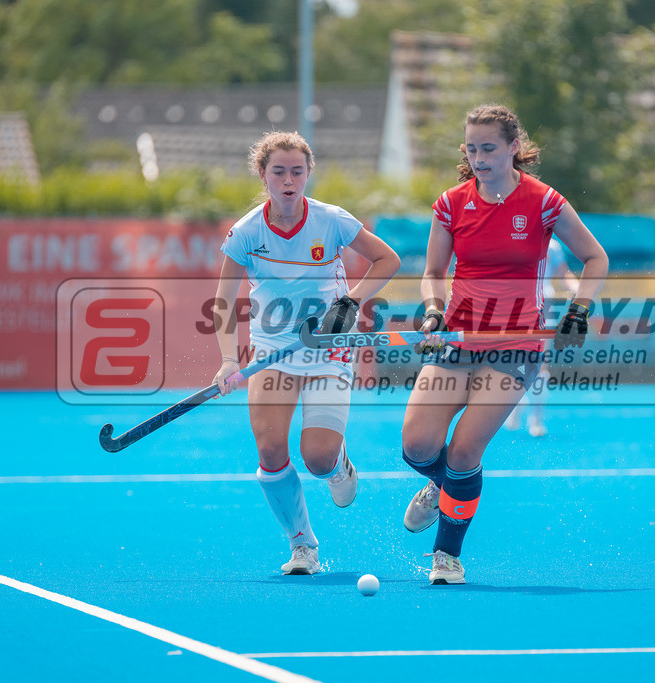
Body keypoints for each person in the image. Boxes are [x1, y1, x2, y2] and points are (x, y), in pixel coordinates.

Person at [401, 104, 609, 584]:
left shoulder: (544, 201)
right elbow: (433, 273)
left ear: (514, 148)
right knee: (416, 447)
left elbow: (595, 258)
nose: (478, 157)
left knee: (464, 452)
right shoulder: (451, 203)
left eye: (489, 148)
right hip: (458, 335)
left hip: (518, 344)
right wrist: (433, 310)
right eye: (471, 149)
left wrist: (579, 310)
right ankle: (444, 488)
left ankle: (446, 555)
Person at [213, 131, 400, 575]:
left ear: (308, 174)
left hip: (328, 349)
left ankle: (337, 466)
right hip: (273, 352)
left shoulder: (331, 220)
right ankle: (303, 546)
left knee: (317, 458)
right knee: (272, 450)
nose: (288, 180)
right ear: (263, 175)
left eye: (297, 171)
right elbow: (223, 301)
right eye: (278, 171)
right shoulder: (246, 232)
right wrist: (227, 360)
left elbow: (387, 260)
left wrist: (350, 302)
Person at [503, 237, 580, 437]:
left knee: (540, 364)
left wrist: (578, 291)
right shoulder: (509, 239)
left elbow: (564, 274)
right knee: (513, 363)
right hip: (511, 307)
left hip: (542, 308)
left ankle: (536, 418)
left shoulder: (552, 246)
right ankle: (517, 404)